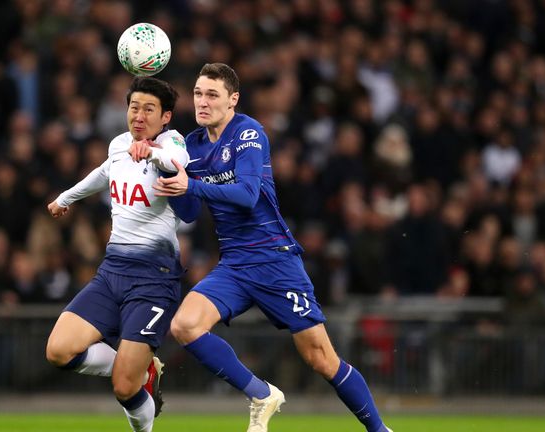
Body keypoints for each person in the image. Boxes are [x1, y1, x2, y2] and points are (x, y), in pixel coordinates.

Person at [154, 63, 392, 432]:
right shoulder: (192, 147)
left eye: (212, 94)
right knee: (184, 325)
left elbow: (248, 196)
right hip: (234, 265)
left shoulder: (248, 132)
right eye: (199, 93)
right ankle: (261, 393)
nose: (202, 102)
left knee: (321, 359)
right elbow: (186, 212)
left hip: (274, 260)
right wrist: (169, 171)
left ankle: (380, 430)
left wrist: (193, 186)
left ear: (233, 100)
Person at [45, 76, 189, 432]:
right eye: (133, 107)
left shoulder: (172, 142)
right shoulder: (119, 145)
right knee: (59, 350)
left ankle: (140, 402)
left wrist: (151, 152)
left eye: (149, 109)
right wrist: (67, 197)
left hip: (154, 279)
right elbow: (104, 172)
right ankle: (143, 367)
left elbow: (176, 162)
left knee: (125, 388)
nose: (139, 116)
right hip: (112, 272)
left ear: (165, 116)